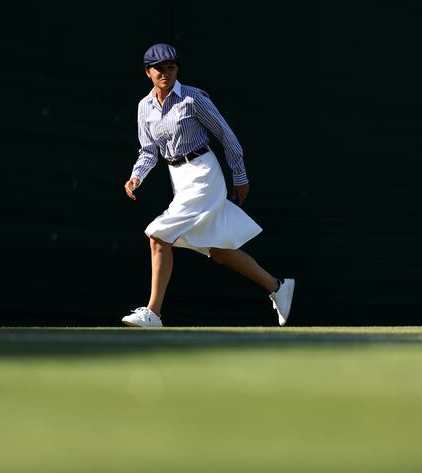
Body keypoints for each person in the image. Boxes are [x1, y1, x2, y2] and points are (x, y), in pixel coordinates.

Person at [122, 43, 294, 327]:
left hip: (203, 174)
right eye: (159, 68)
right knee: (219, 251)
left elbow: (226, 136)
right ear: (148, 73)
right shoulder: (144, 107)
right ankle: (277, 286)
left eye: (171, 67)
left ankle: (153, 312)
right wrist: (137, 176)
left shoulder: (193, 98)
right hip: (179, 178)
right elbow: (149, 151)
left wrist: (240, 176)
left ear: (177, 69)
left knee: (157, 235)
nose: (166, 73)